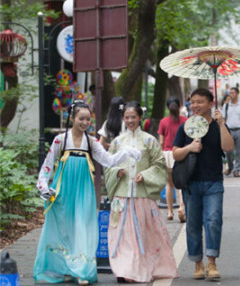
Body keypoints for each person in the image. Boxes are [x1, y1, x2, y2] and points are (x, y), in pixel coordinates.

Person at [34, 101, 141, 285]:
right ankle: (66, 267)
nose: (85, 122)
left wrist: (126, 152)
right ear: (72, 118)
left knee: (82, 225)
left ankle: (81, 271)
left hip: (83, 190)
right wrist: (43, 185)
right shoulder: (61, 140)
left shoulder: (91, 142)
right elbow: (48, 165)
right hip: (63, 189)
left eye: (87, 119)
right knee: (63, 226)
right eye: (81, 118)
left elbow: (109, 161)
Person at [105, 101, 178, 283]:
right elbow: (109, 164)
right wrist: (116, 172)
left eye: (133, 117)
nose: (130, 120)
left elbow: (159, 165)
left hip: (142, 196)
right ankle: (124, 269)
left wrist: (145, 175)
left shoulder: (149, 140)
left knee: (143, 235)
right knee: (122, 236)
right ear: (123, 118)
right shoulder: (117, 142)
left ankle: (141, 267)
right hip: (122, 195)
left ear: (140, 118)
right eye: (127, 117)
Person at [172, 88, 234, 281]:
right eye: (193, 102)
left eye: (200, 102)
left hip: (214, 181)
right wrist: (190, 147)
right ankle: (198, 263)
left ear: (210, 103)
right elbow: (175, 153)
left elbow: (228, 147)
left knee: (214, 221)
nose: (195, 105)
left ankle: (212, 262)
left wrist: (222, 123)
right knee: (193, 224)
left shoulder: (217, 125)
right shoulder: (186, 127)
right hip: (191, 183)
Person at [158, 97, 188, 222]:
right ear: (180, 105)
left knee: (169, 184)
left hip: (168, 154)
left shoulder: (163, 122)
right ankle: (181, 207)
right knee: (182, 184)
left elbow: (161, 142)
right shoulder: (185, 121)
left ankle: (170, 212)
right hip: (181, 153)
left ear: (167, 107)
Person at [223, 87, 240, 177]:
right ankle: (230, 167)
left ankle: (237, 170)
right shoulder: (226, 106)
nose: (231, 94)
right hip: (229, 130)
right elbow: (223, 119)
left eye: (233, 93)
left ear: (237, 94)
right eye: (230, 93)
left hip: (239, 130)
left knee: (239, 151)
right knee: (228, 151)